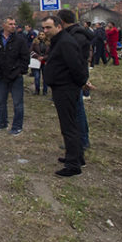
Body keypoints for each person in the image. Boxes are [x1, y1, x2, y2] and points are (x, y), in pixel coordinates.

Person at [41, 15, 89, 177]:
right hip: (63, 87)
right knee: (71, 124)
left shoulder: (65, 42)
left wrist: (79, 83)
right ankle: (77, 156)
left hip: (66, 89)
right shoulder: (60, 41)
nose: (45, 31)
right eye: (44, 28)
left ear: (59, 27)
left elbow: (77, 66)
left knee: (69, 127)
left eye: (48, 27)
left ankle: (73, 164)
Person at [58, 9, 93, 152]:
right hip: (73, 77)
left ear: (62, 21)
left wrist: (82, 80)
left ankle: (82, 141)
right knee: (76, 110)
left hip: (72, 79)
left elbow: (74, 60)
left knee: (77, 111)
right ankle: (79, 140)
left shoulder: (75, 36)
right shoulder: (75, 34)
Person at [0, 17, 29, 135]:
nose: (13, 26)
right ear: (4, 25)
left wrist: (20, 71)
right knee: (1, 101)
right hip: (0, 76)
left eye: (14, 24)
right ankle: (2, 122)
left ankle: (17, 126)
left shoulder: (20, 40)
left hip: (15, 76)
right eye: (10, 24)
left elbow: (25, 57)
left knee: (18, 103)